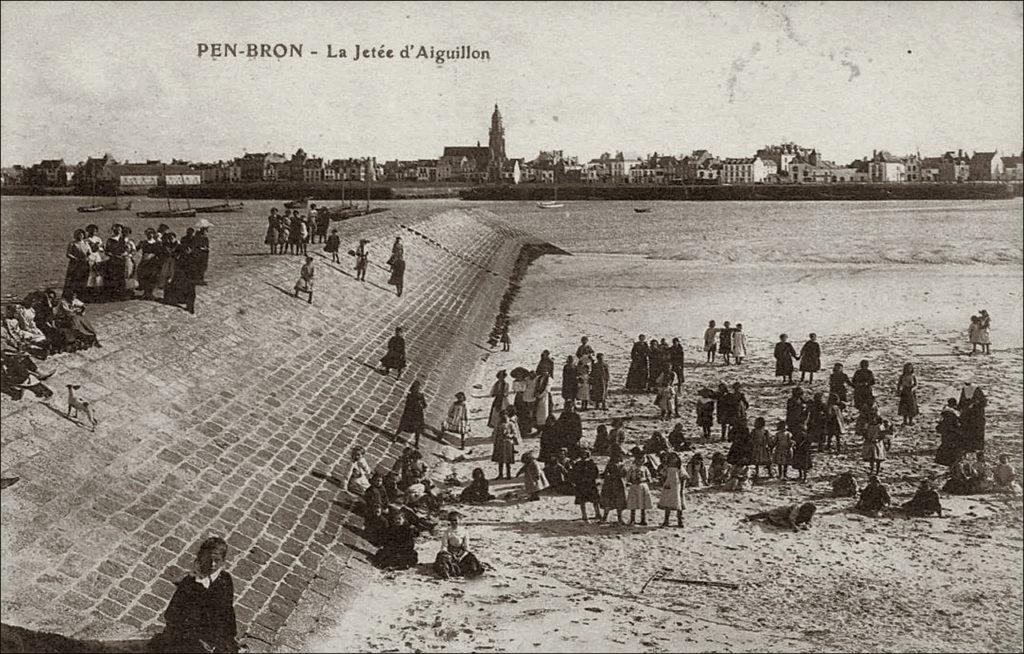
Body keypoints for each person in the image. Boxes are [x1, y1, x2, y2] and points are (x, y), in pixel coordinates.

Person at [147, 537, 239, 654]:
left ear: (223, 561)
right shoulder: (189, 583)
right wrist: (196, 639)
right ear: (201, 558)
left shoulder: (225, 580)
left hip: (212, 635)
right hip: (187, 635)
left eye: (217, 560)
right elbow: (172, 615)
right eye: (208, 559)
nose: (212, 564)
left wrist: (228, 636)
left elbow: (227, 611)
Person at [434, 511, 485, 579]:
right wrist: (450, 555)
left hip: (461, 553)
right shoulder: (447, 532)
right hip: (450, 553)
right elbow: (444, 546)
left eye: (455, 520)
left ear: (459, 520)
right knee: (442, 558)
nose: (453, 522)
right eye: (451, 520)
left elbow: (466, 548)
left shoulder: (464, 532)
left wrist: (461, 556)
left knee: (472, 558)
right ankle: (448, 573)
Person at [393, 380, 427, 448]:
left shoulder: (410, 395)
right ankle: (416, 443)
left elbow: (407, 405)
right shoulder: (420, 395)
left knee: (402, 425)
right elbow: (425, 405)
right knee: (417, 429)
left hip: (408, 413)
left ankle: (395, 437)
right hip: (417, 414)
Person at [658, 451, 688, 527]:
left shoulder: (679, 468)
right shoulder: (667, 468)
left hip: (677, 488)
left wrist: (682, 488)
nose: (673, 459)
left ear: (678, 459)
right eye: (671, 458)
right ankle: (666, 520)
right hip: (668, 487)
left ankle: (680, 520)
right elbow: (662, 476)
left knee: (678, 504)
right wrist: (664, 483)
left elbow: (684, 478)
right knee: (667, 504)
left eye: (674, 458)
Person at [626, 447, 654, 525]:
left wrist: (643, 480)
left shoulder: (645, 468)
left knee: (643, 503)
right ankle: (632, 519)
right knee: (633, 503)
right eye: (639, 459)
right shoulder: (632, 468)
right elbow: (628, 478)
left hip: (642, 486)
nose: (640, 461)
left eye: (642, 459)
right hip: (634, 486)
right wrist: (631, 481)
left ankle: (643, 519)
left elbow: (649, 478)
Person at [571, 447, 601, 521]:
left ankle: (598, 513)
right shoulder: (577, 464)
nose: (584, 455)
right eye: (582, 454)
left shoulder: (591, 463)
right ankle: (584, 515)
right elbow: (574, 474)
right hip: (581, 484)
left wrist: (592, 479)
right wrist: (576, 481)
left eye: (585, 454)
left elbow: (596, 473)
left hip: (590, 483)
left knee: (595, 500)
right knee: (582, 500)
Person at [599, 449, 628, 524]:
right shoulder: (613, 464)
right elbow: (606, 473)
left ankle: (616, 518)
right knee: (611, 501)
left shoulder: (620, 464)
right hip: (613, 484)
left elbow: (625, 474)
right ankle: (607, 518)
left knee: (616, 502)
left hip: (615, 484)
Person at [745, 503, 816, 532]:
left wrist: (807, 525)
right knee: (768, 514)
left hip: (785, 517)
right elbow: (791, 519)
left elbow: (809, 521)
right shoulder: (796, 510)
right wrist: (795, 527)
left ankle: (752, 517)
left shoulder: (808, 514)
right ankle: (751, 517)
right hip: (779, 514)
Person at [957, 382, 987, 453]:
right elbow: (961, 402)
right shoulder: (964, 389)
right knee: (967, 430)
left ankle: (977, 447)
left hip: (976, 415)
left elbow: (983, 402)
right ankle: (968, 446)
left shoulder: (977, 390)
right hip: (968, 415)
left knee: (977, 430)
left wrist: (974, 405)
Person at [934, 398, 963, 466]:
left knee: (945, 444)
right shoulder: (953, 413)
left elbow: (941, 420)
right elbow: (954, 424)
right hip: (951, 432)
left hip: (944, 431)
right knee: (952, 447)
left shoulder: (945, 410)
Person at [491, 410, 519, 480]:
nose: (503, 417)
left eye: (505, 415)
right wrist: (495, 442)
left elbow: (515, 433)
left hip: (508, 443)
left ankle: (508, 474)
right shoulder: (498, 424)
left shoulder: (510, 424)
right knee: (500, 460)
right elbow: (495, 434)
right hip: (499, 443)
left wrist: (509, 435)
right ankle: (500, 474)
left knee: (508, 460)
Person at [64, 229, 91, 298]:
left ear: (83, 235)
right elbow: (68, 254)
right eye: (78, 234)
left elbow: (89, 252)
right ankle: (71, 296)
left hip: (85, 263)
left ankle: (81, 296)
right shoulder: (72, 243)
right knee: (74, 280)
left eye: (81, 234)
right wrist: (75, 258)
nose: (80, 236)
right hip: (75, 264)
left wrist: (88, 255)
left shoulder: (86, 243)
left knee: (84, 279)